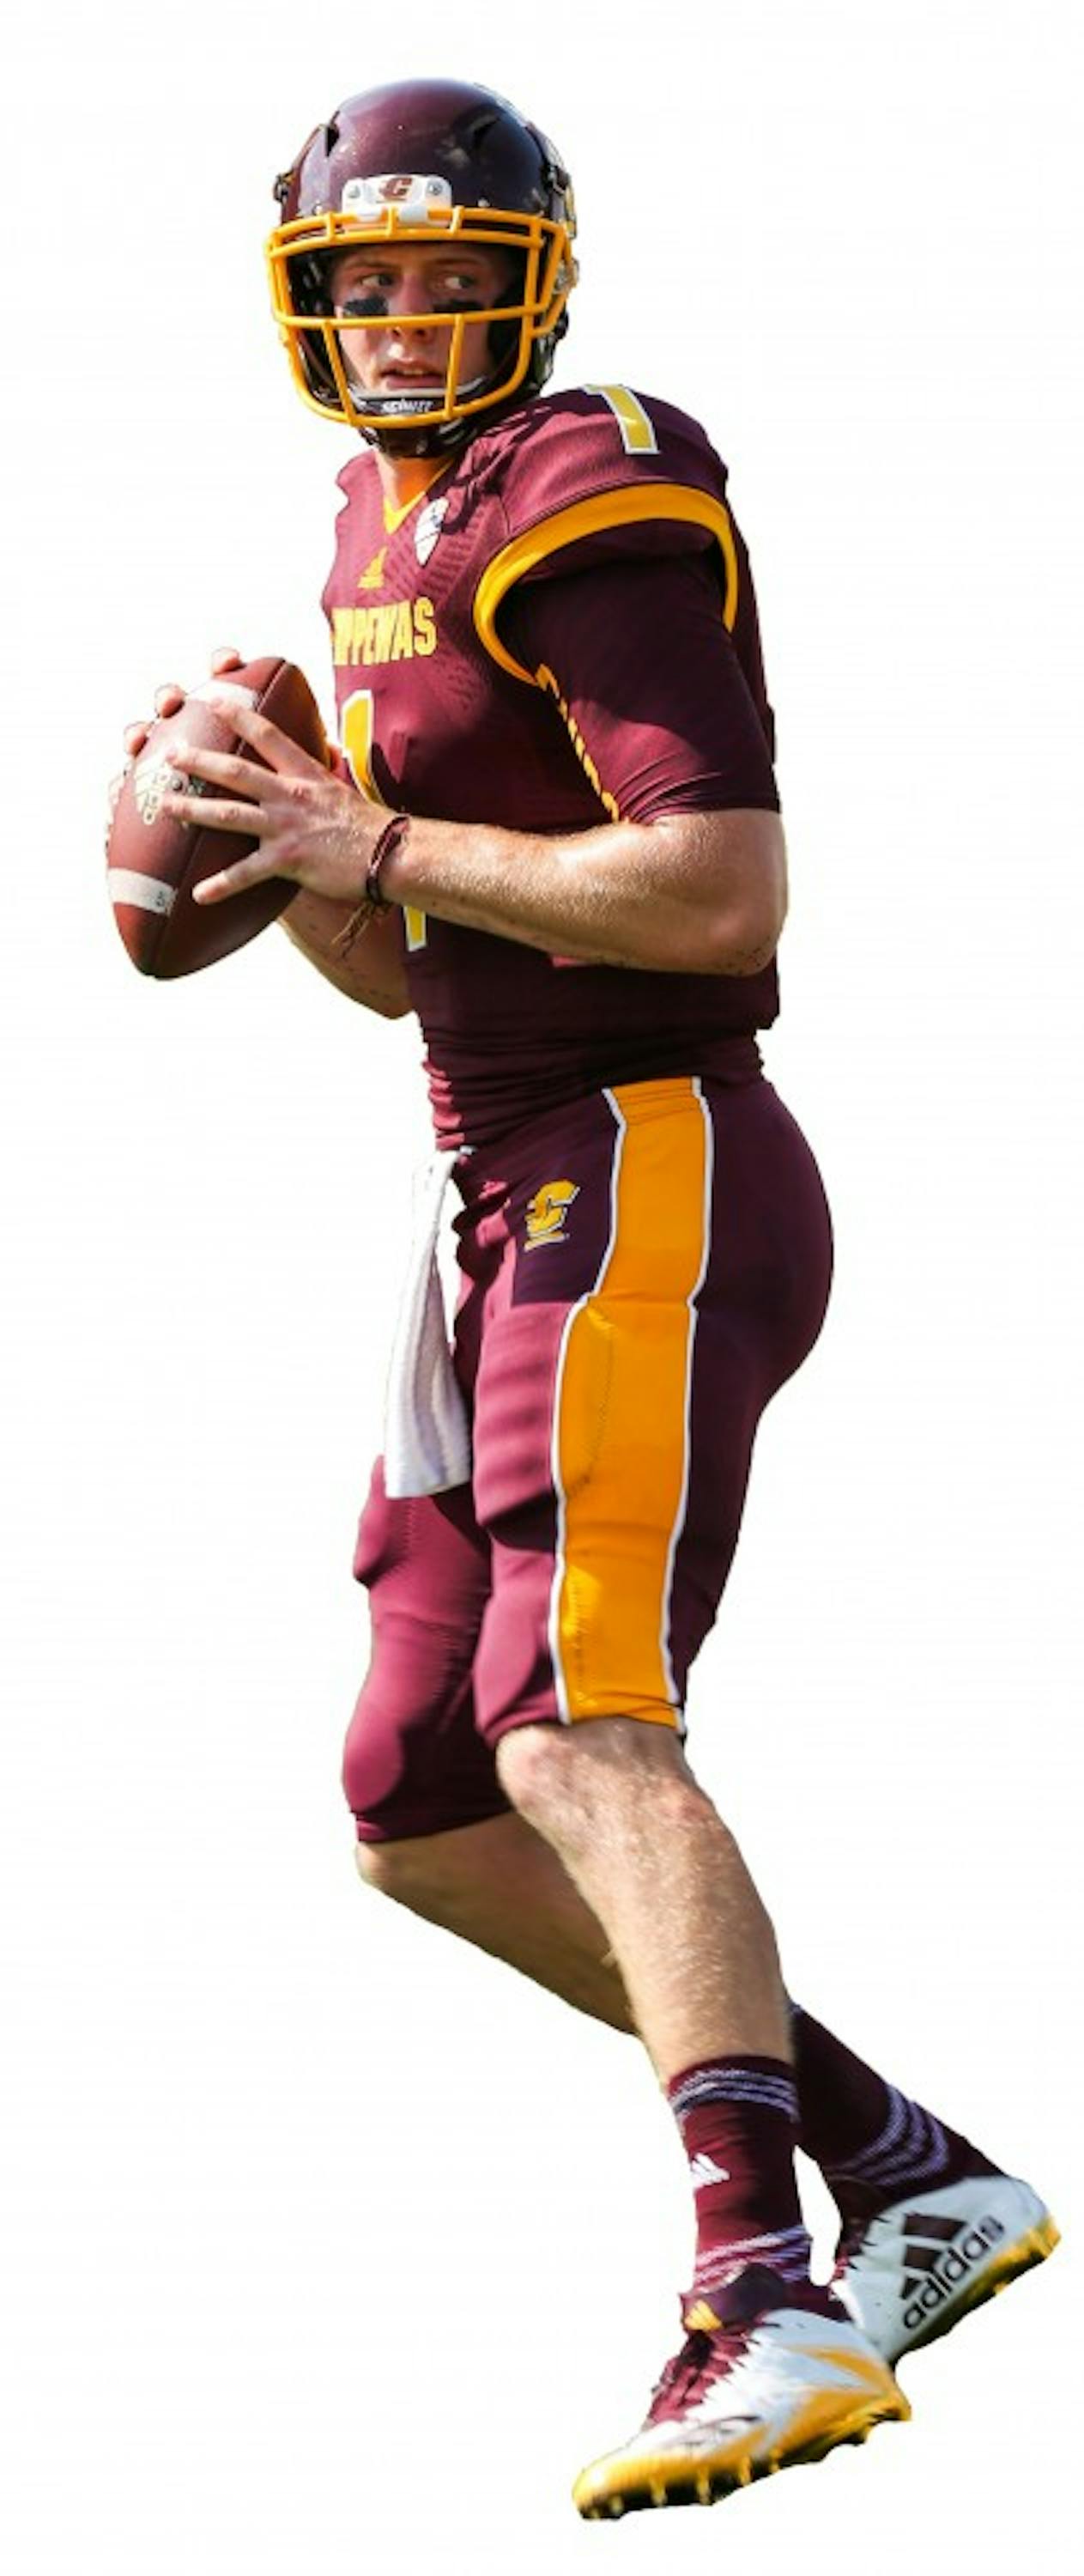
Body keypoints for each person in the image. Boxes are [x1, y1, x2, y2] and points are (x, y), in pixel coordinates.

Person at [123, 81, 1057, 2518]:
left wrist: (368, 827)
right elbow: (406, 957)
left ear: (529, 282)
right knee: (422, 1803)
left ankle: (768, 2301)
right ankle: (905, 2170)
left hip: (645, 1158)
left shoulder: (588, 476)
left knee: (575, 1725)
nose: (401, 317)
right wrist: (287, 851)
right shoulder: (373, 526)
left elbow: (721, 890)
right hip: (492, 1182)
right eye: (363, 281)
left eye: (447, 275)